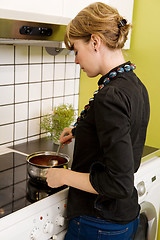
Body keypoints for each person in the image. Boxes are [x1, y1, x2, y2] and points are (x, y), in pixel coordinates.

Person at [46, 2, 150, 240]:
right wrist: (80, 129)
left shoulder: (110, 95)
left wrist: (63, 176)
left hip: (99, 223)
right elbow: (124, 126)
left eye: (75, 50)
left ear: (95, 42)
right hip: (123, 217)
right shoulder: (133, 84)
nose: (75, 60)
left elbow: (118, 182)